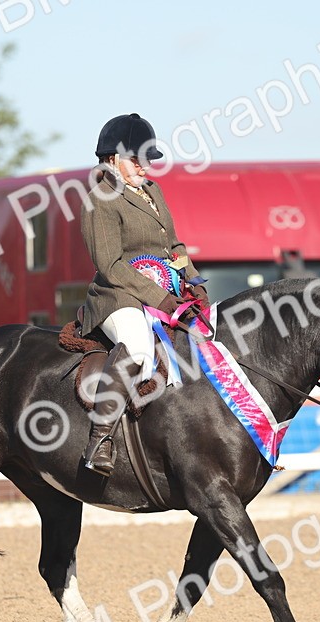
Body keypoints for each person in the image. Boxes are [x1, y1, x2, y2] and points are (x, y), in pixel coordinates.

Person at [79, 113, 208, 475]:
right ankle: (99, 441)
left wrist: (194, 281)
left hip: (165, 292)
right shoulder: (100, 199)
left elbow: (174, 246)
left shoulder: (153, 192)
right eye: (135, 159)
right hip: (117, 297)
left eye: (147, 159)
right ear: (111, 159)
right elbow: (110, 265)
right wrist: (159, 297)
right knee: (137, 347)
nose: (144, 166)